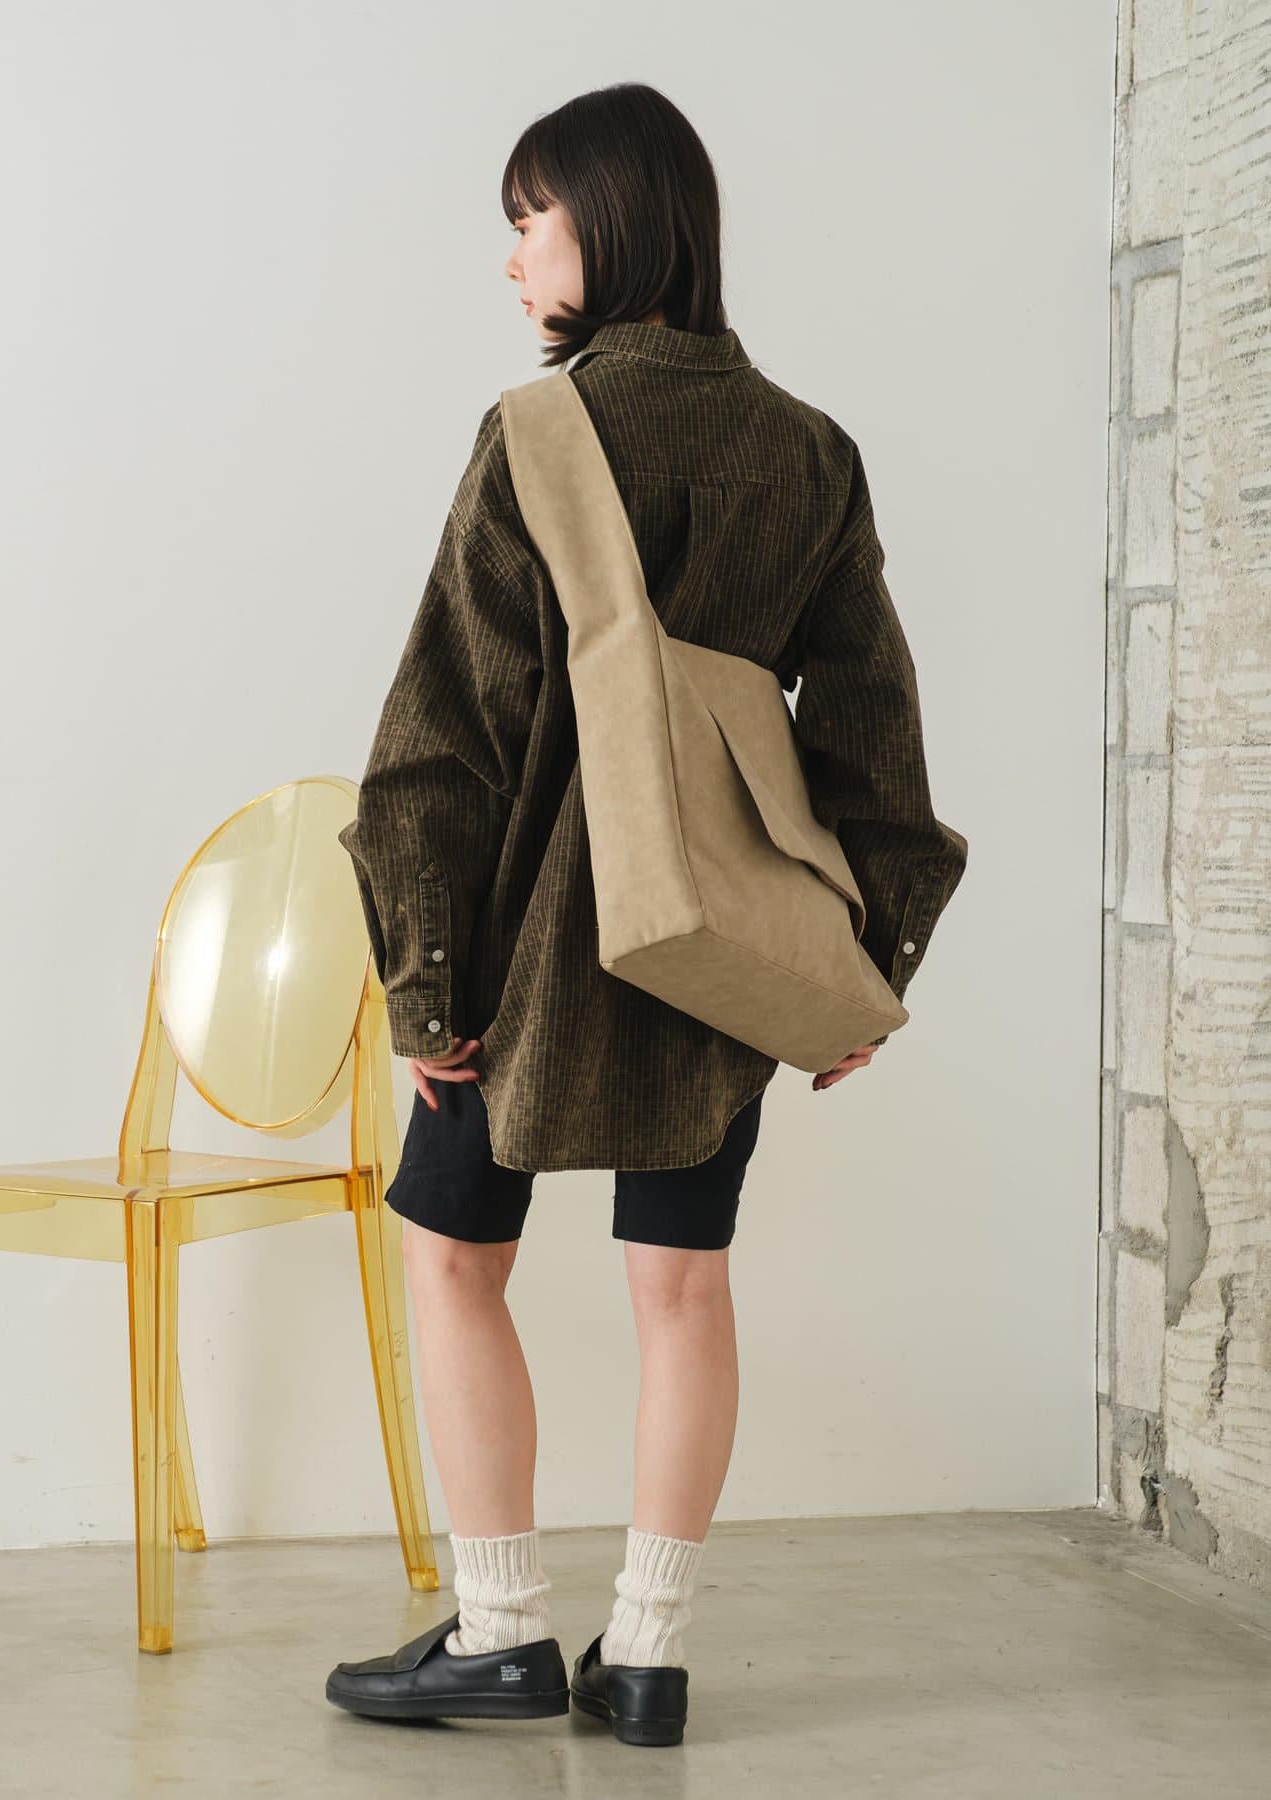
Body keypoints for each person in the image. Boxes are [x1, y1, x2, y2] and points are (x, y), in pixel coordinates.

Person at [325, 82, 967, 1747]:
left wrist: (425, 983)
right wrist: (858, 970)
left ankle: (501, 1632)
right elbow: (873, 733)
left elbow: (444, 740)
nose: (512, 259)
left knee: (453, 1258)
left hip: (520, 954)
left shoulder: (538, 434)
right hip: (715, 953)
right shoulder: (810, 453)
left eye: (527, 220)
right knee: (682, 1287)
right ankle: (652, 1655)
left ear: (608, 222)